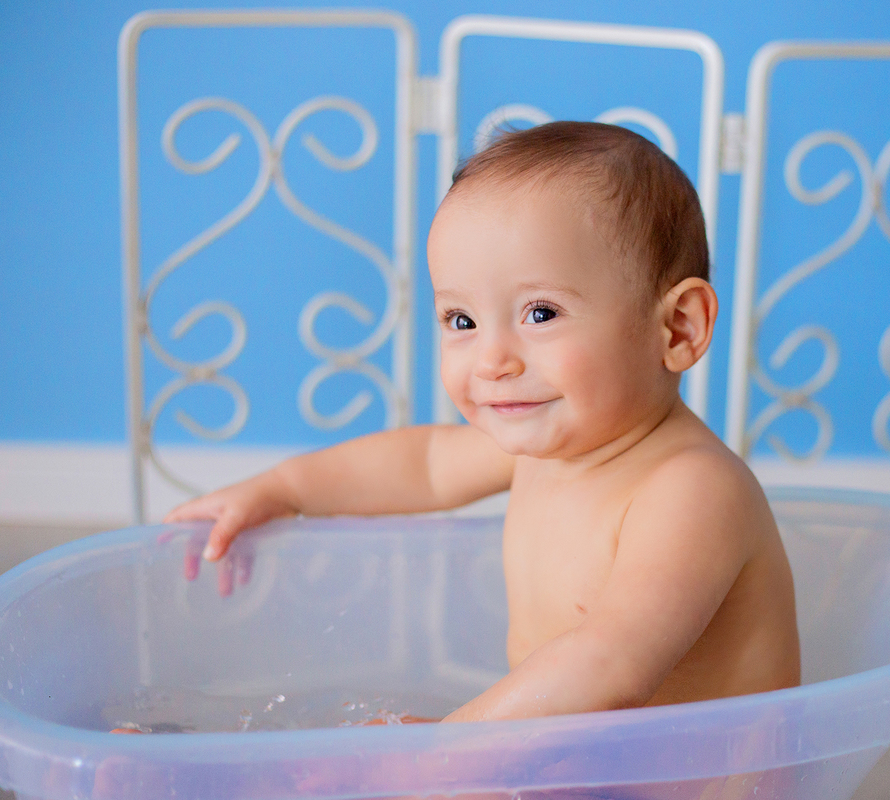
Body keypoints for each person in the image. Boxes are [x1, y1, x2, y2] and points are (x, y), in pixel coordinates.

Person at [165, 121, 800, 724]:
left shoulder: (692, 489)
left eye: (541, 313)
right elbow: (421, 466)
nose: (493, 360)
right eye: (461, 322)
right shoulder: (549, 448)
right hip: (580, 765)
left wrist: (451, 746)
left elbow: (611, 665)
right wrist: (282, 491)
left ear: (677, 327)